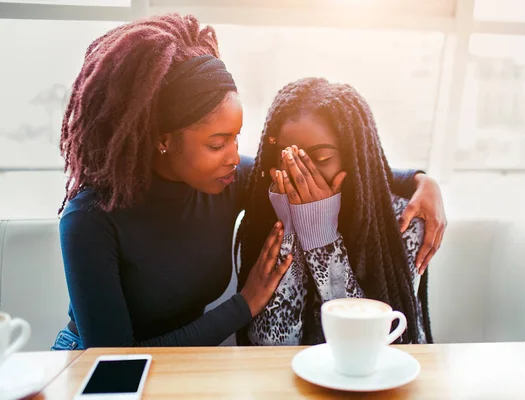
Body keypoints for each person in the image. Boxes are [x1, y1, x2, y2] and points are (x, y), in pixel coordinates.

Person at [51, 14, 446, 350]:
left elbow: (335, 167)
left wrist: (420, 182)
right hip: (90, 369)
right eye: (217, 143)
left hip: (184, 367)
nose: (232, 154)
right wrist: (245, 304)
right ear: (162, 139)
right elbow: (113, 358)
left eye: (237, 137)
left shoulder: (227, 179)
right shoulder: (89, 218)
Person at [236, 78, 435, 345]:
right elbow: (270, 344)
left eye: (320, 159)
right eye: (288, 158)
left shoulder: (404, 222)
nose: (301, 174)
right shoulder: (266, 215)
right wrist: (291, 226)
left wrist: (322, 240)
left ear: (355, 158)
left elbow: (373, 345)